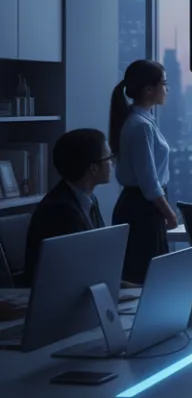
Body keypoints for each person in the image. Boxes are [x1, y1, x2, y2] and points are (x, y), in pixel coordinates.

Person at [110, 60, 174, 283]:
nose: (167, 89)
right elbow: (149, 182)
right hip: (143, 211)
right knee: (145, 278)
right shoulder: (141, 126)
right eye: (164, 84)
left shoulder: (140, 121)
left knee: (143, 276)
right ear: (148, 89)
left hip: (140, 207)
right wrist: (170, 214)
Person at [24, 129, 114, 280]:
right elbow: (80, 270)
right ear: (93, 168)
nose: (112, 163)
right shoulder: (60, 211)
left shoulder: (88, 199)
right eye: (109, 158)